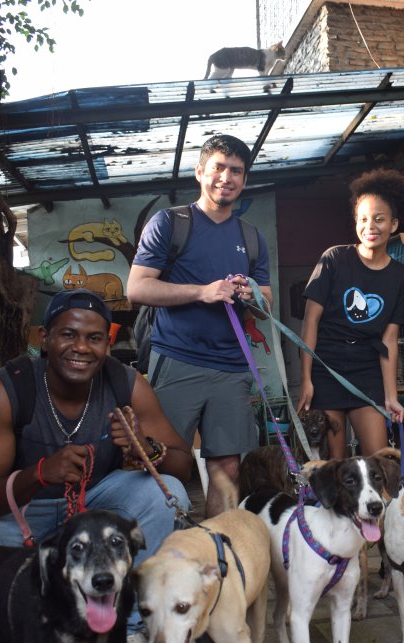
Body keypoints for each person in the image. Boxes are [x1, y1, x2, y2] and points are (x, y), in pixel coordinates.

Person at [0, 289, 193, 636]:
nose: (81, 348)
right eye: (68, 335)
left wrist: (145, 448)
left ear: (108, 342)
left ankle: (132, 624)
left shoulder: (126, 384)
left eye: (94, 338)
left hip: (95, 503)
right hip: (23, 509)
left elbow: (183, 466)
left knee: (165, 495)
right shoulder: (7, 389)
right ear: (45, 339)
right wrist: (41, 473)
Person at [128, 134, 272, 520]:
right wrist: (201, 292)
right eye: (219, 168)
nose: (226, 177)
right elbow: (137, 287)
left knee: (227, 469)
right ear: (200, 172)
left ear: (245, 179)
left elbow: (266, 304)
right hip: (177, 360)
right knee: (159, 463)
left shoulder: (252, 238)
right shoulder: (170, 223)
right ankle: (162, 558)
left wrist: (250, 294)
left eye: (236, 171)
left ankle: (217, 560)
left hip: (232, 367)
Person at [296, 169, 404, 457]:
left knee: (379, 459)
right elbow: (310, 322)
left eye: (379, 218)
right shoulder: (335, 258)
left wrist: (390, 396)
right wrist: (306, 379)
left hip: (367, 370)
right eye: (363, 219)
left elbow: (389, 340)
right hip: (327, 368)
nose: (370, 226)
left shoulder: (401, 277)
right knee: (335, 463)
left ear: (394, 224)